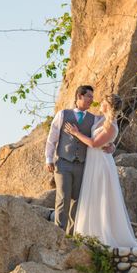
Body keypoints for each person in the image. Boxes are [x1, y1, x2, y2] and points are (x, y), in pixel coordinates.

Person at [63, 94, 137, 248]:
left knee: (99, 197)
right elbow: (106, 141)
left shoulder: (111, 125)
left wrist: (75, 133)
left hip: (101, 165)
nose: (100, 103)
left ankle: (101, 235)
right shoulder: (100, 119)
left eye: (103, 101)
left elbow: (93, 143)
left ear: (108, 106)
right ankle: (88, 233)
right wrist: (113, 146)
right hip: (93, 162)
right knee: (91, 196)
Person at [44, 85, 114, 235]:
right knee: (63, 198)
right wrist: (48, 159)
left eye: (92, 96)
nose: (92, 99)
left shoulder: (94, 119)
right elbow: (52, 139)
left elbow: (108, 130)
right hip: (63, 163)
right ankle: (58, 234)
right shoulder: (62, 115)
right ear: (79, 96)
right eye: (89, 96)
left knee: (77, 201)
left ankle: (71, 236)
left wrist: (112, 145)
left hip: (83, 165)